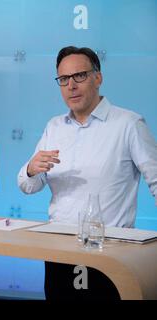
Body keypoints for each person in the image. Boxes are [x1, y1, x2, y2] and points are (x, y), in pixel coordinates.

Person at [18, 46, 157, 300]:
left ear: (98, 77)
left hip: (111, 253)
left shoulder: (128, 124)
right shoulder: (54, 126)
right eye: (63, 79)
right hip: (59, 249)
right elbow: (28, 186)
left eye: (79, 76)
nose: (71, 85)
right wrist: (30, 169)